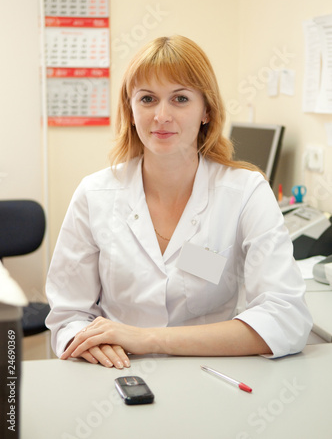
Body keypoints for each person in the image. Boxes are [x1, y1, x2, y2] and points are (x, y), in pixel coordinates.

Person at [46, 35, 312, 369]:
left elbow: (287, 318)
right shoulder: (94, 194)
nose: (161, 115)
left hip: (212, 376)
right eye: (147, 99)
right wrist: (83, 339)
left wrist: (147, 339)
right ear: (130, 110)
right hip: (119, 375)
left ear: (206, 111)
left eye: (180, 98)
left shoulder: (245, 192)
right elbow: (68, 315)